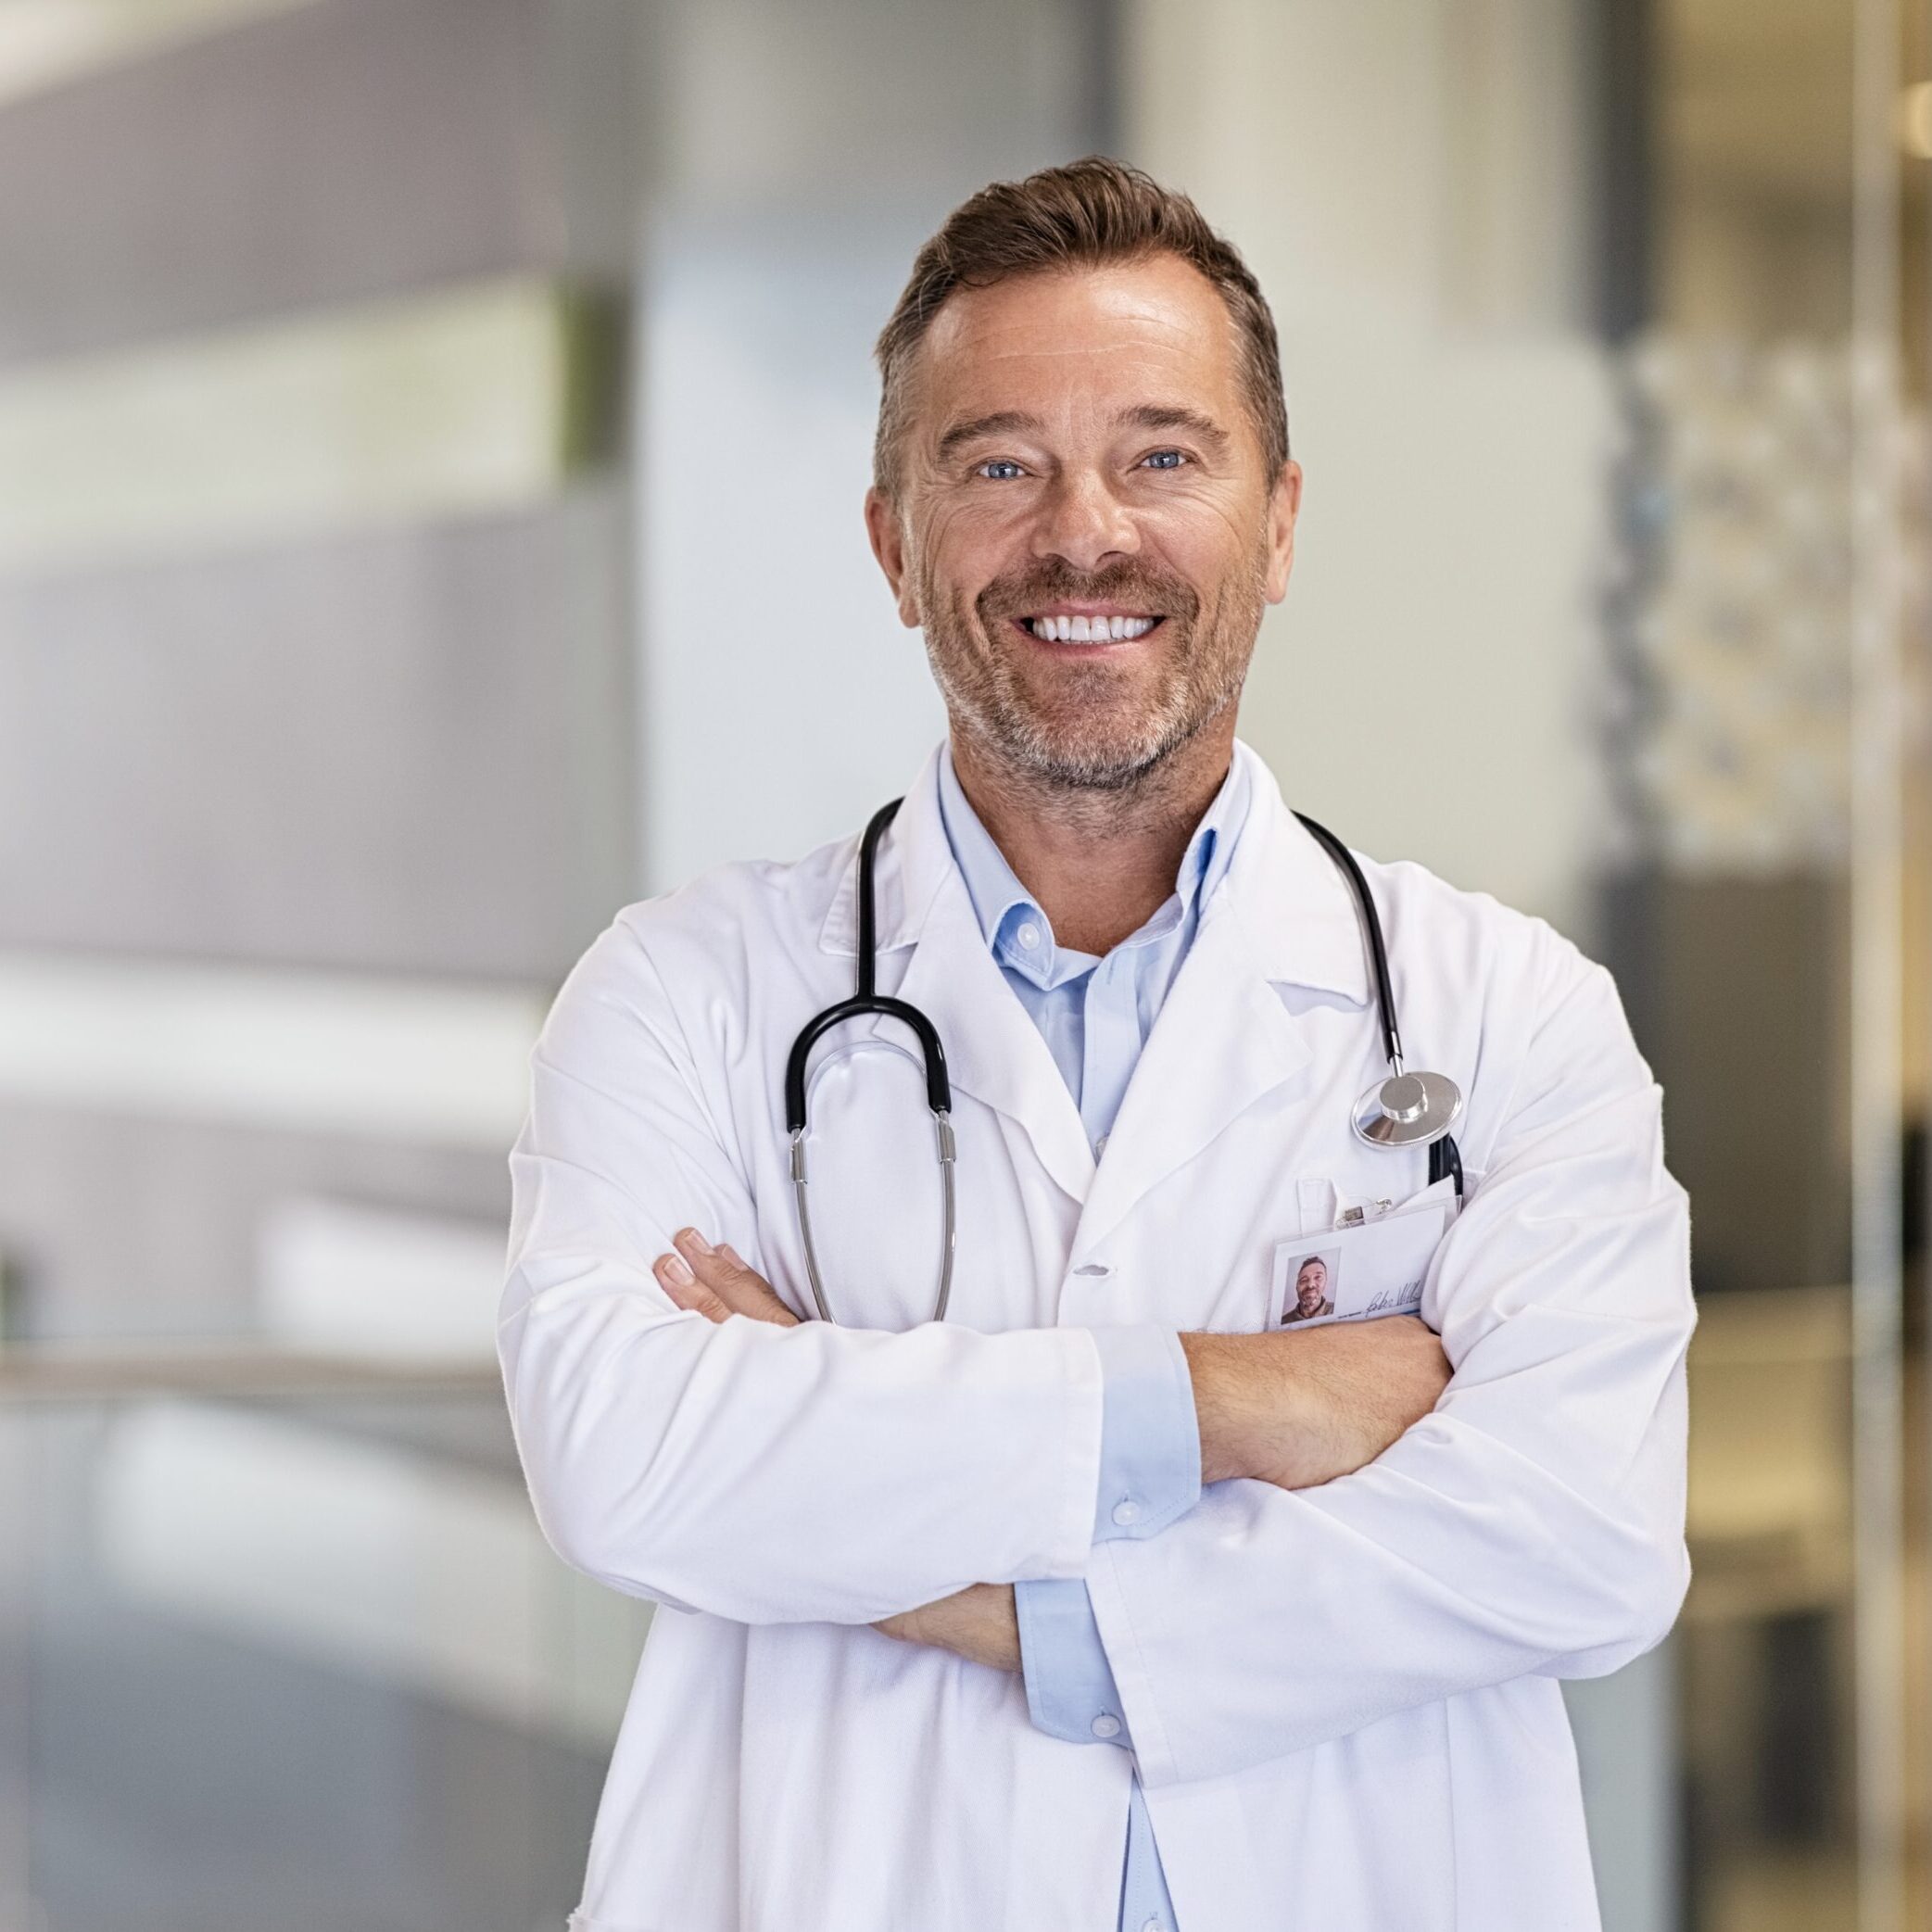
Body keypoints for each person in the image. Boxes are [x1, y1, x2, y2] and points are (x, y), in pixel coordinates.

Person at [499, 158, 1693, 1932]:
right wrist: (1243, 1403)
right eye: (998, 464)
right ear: (896, 544)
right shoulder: (688, 990)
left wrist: (953, 1581)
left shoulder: (1510, 1011)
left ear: (1279, 524)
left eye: (1162, 455)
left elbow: (1577, 1548)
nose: (1085, 535)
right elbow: (627, 1457)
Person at [1281, 1256, 1332, 1324]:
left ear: (1325, 1282)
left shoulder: (1338, 1310)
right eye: (1304, 1280)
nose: (1310, 1285)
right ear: (1297, 1287)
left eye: (1318, 1277)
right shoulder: (1283, 1321)